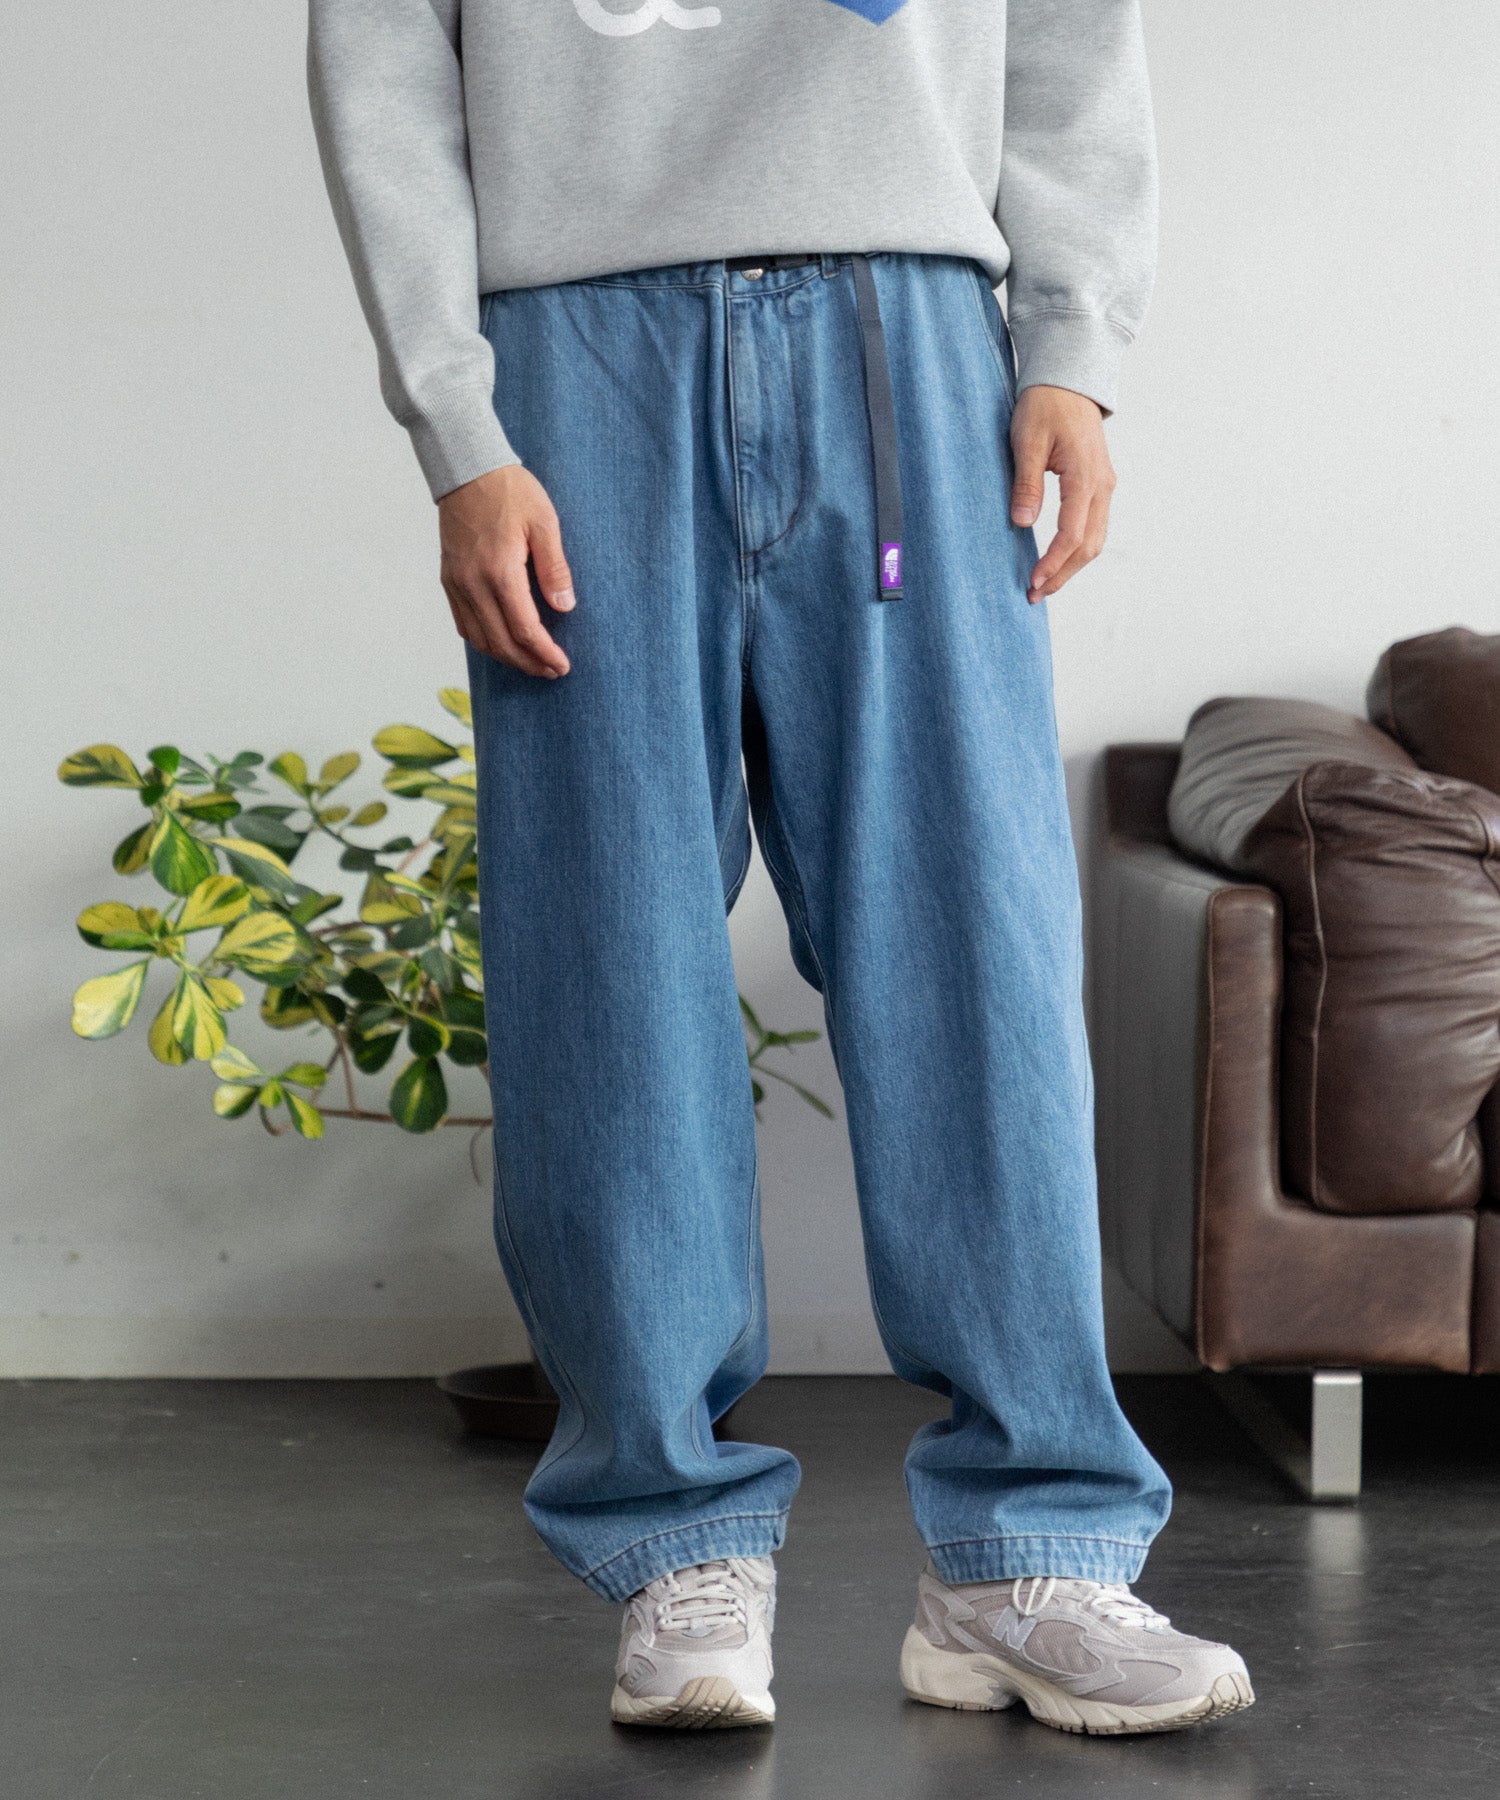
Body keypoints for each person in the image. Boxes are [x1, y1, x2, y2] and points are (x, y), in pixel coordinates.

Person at [307, 0, 1253, 1736]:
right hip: (575, 360)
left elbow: (1069, 37)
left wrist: (1070, 344)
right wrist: (460, 426)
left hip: (914, 339)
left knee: (974, 961)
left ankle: (1027, 1560)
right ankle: (673, 1546)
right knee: (611, 964)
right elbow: (385, 66)